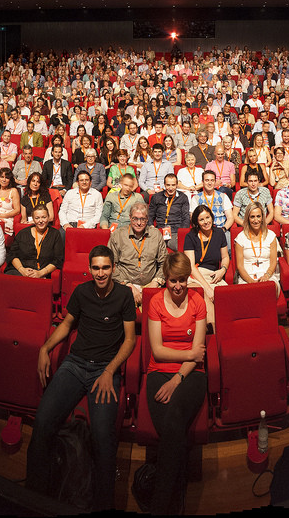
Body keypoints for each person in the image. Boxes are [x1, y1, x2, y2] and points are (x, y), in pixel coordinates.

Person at [26, 245, 136, 512]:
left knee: (102, 437)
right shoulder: (81, 292)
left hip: (104, 370)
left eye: (105, 268)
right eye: (96, 268)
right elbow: (66, 323)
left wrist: (110, 371)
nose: (100, 273)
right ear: (90, 269)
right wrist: (45, 348)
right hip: (75, 365)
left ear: (113, 268)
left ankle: (103, 505)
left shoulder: (124, 295)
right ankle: (34, 498)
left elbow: (130, 339)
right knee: (42, 422)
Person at [144, 252, 208, 513]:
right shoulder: (156, 303)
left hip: (192, 373)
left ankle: (161, 504)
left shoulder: (198, 301)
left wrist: (178, 378)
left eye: (183, 280)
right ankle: (176, 498)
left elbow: (199, 353)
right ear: (165, 280)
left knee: (174, 420)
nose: (179, 286)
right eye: (173, 281)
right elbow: (157, 351)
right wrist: (187, 355)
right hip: (158, 371)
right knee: (173, 428)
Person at [233, 202, 281, 296]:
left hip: (268, 276)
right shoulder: (240, 238)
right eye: (252, 217)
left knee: (269, 288)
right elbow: (240, 266)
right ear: (248, 218)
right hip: (247, 277)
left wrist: (266, 276)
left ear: (262, 218)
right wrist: (251, 282)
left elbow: (273, 262)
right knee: (250, 293)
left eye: (258, 216)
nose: (256, 220)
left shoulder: (271, 236)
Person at [4, 204, 64, 278]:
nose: (41, 221)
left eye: (44, 217)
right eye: (37, 218)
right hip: (21, 271)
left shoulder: (55, 234)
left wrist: (40, 273)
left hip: (43, 272)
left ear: (48, 218)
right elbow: (12, 255)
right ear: (33, 219)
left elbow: (58, 260)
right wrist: (22, 270)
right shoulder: (23, 233)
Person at [148, 173, 191, 250]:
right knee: (150, 249)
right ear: (164, 185)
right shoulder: (156, 197)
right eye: (168, 185)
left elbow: (186, 217)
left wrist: (182, 233)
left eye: (173, 185)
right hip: (160, 231)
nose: (170, 188)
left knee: (181, 248)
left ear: (177, 185)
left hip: (175, 231)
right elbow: (150, 215)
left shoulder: (183, 198)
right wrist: (151, 227)